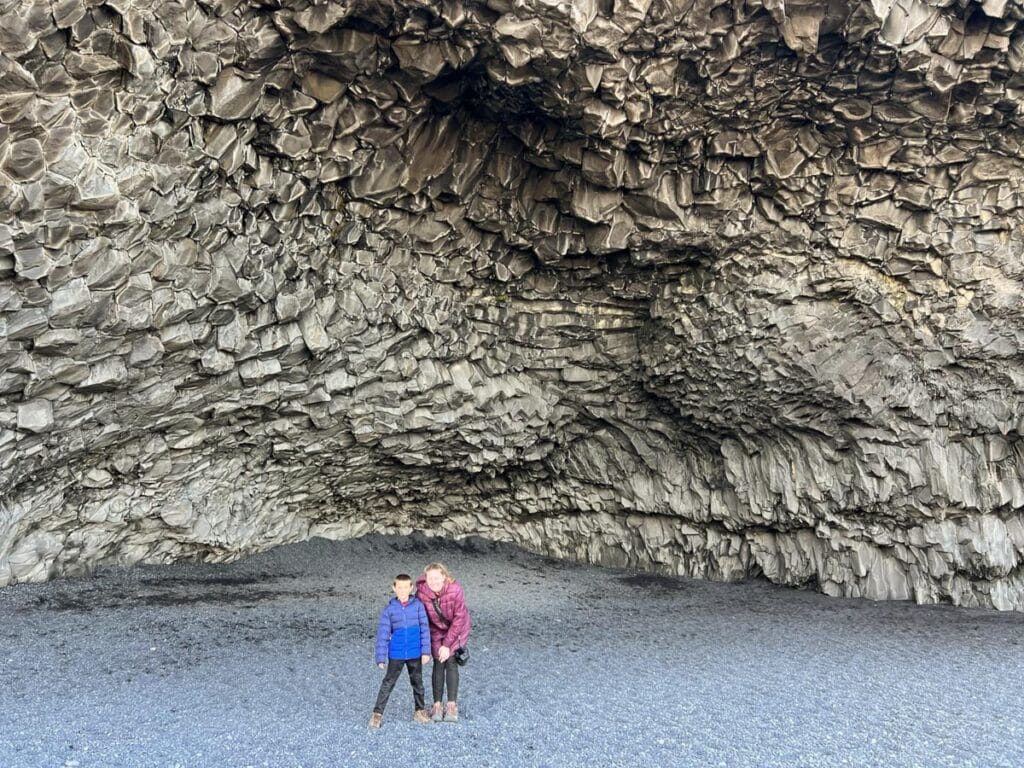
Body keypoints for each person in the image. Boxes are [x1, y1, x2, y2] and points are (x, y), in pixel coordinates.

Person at [370, 574, 432, 728]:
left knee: (417, 683)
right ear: (394, 588)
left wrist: (426, 651)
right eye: (399, 587)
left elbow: (425, 629)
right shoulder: (389, 609)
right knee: (388, 683)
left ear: (411, 588)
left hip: (415, 652)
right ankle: (377, 714)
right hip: (396, 653)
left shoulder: (418, 606)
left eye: (406, 587)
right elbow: (383, 634)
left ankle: (419, 711)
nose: (403, 590)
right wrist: (380, 657)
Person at [416, 561, 471, 722]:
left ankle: (452, 705)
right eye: (430, 579)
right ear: (426, 579)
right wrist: (437, 645)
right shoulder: (422, 594)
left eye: (437, 578)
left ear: (444, 577)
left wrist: (447, 645)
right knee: (439, 661)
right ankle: (437, 705)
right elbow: (425, 621)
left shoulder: (455, 590)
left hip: (457, 628)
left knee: (451, 660)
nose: (434, 582)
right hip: (436, 630)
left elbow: (459, 619)